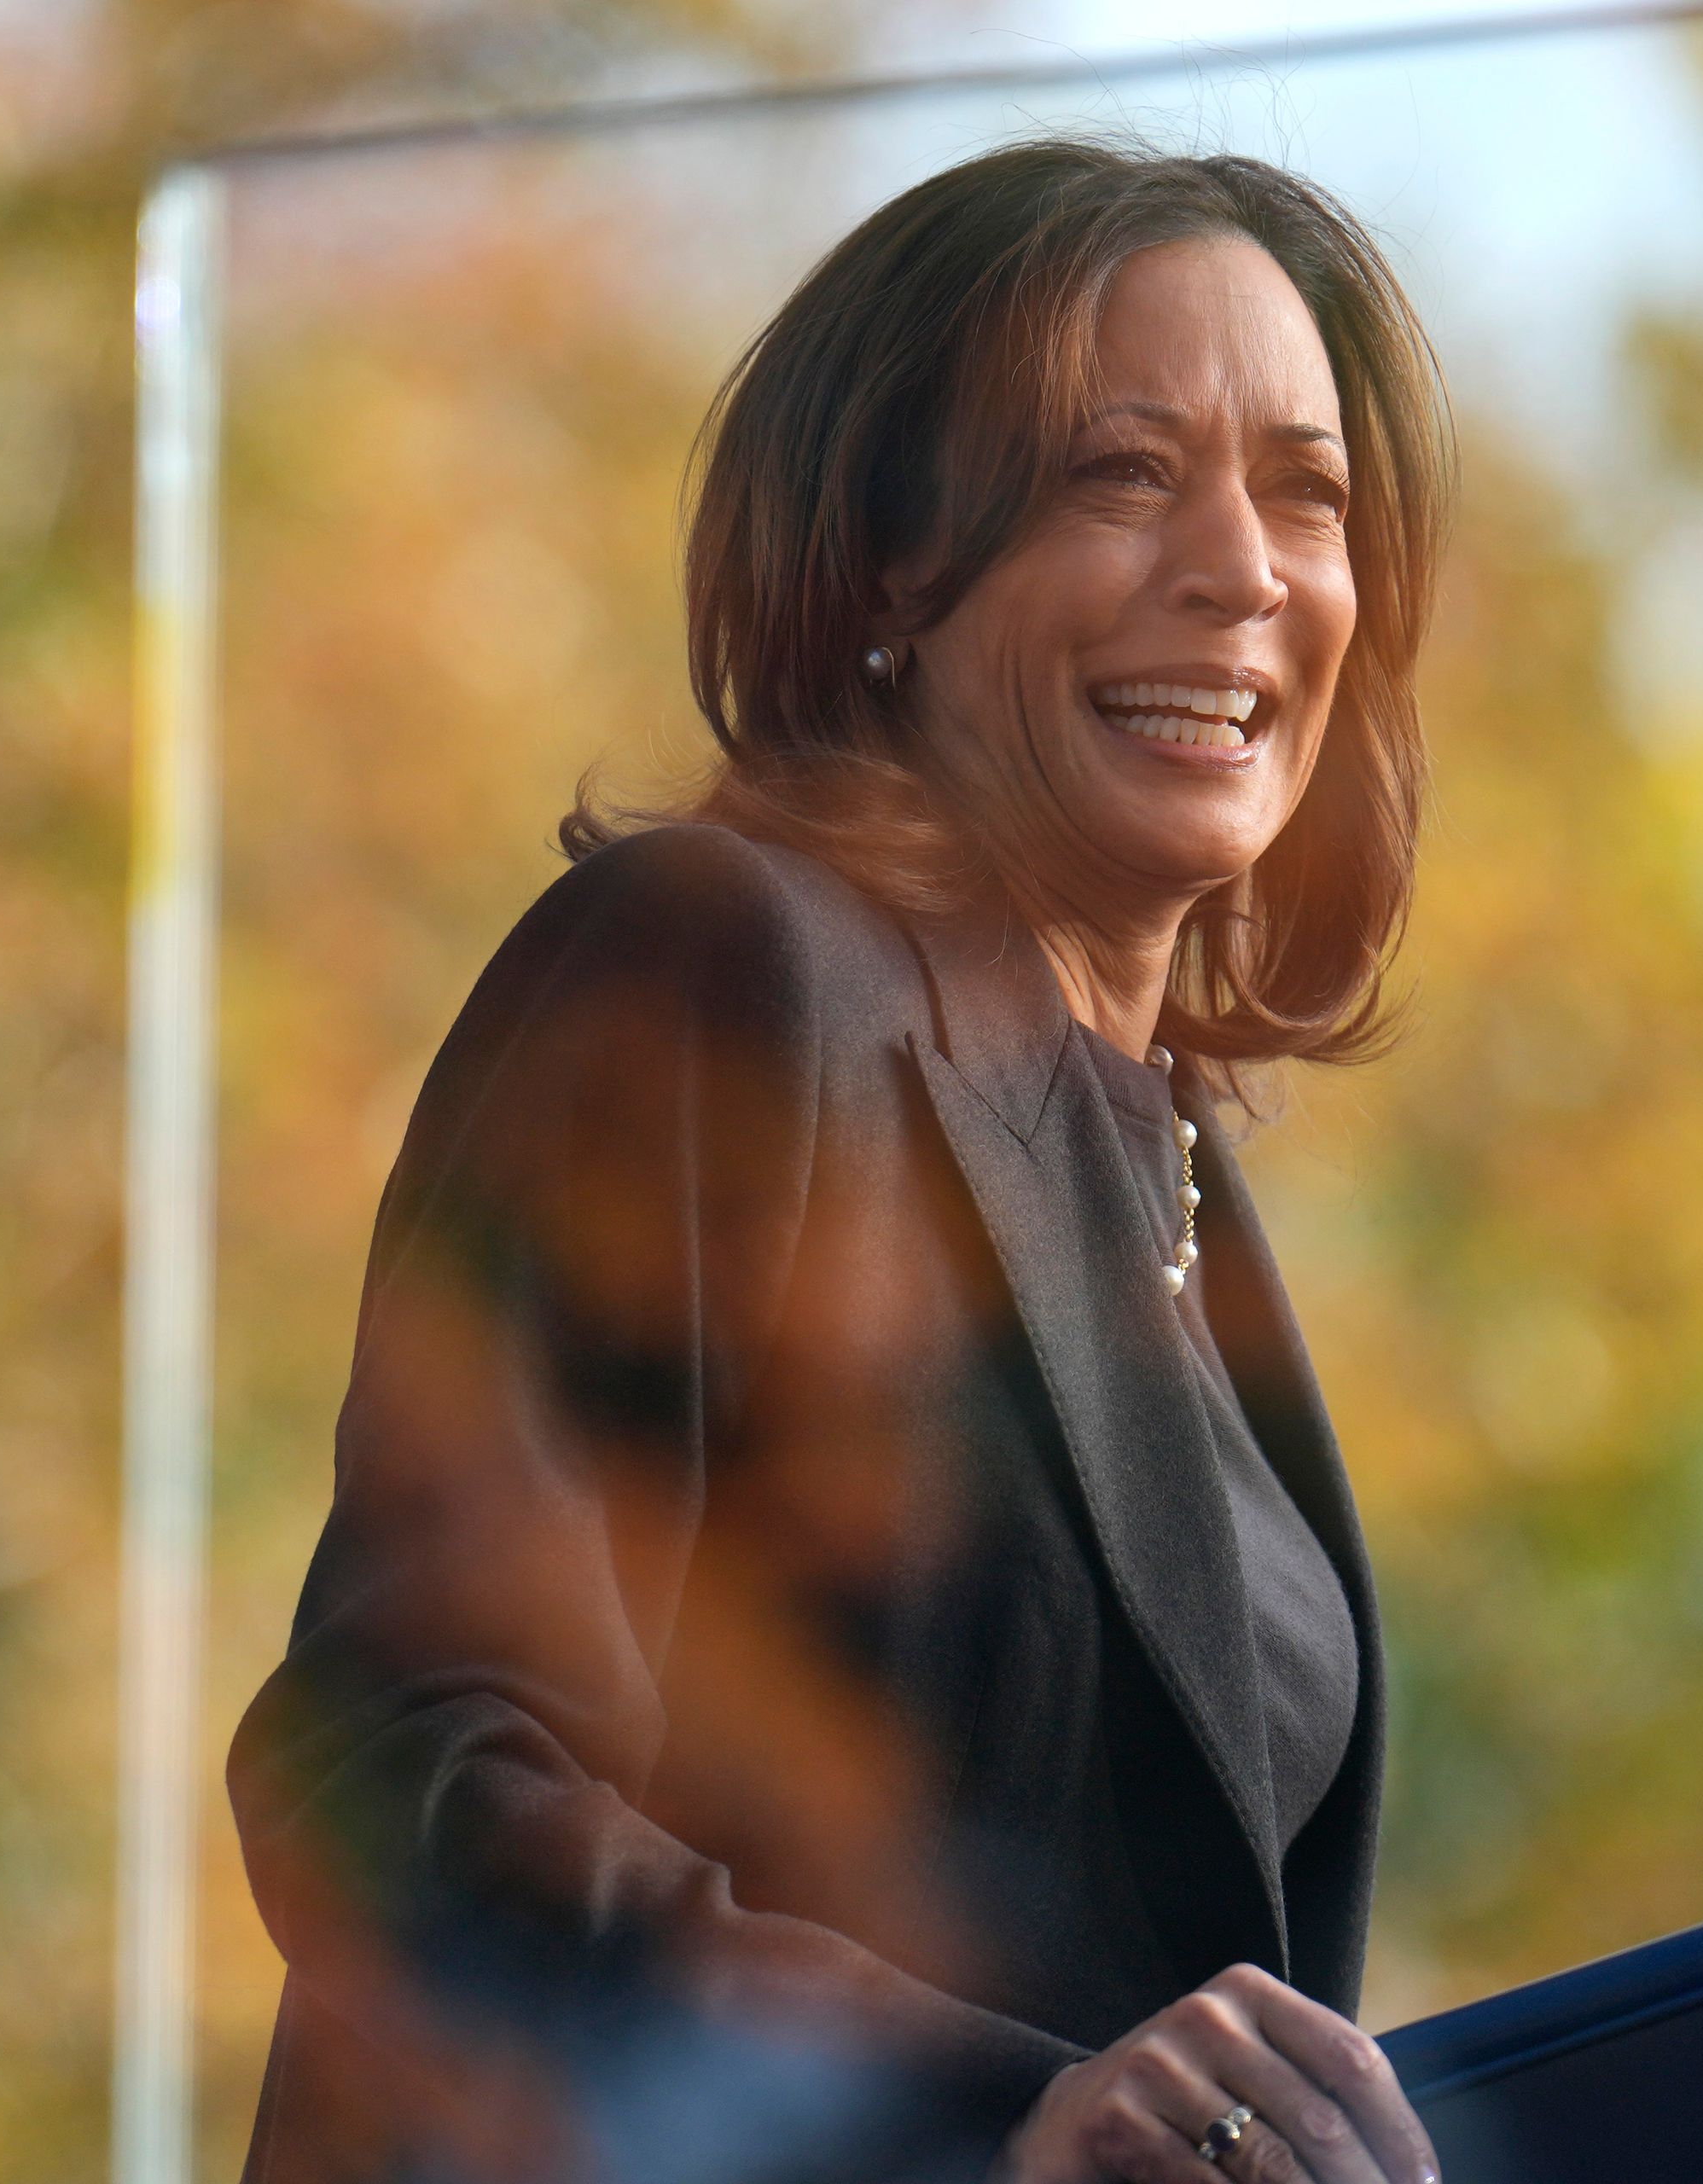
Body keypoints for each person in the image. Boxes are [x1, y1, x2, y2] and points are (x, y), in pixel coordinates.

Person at [229, 138, 1453, 2184]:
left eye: (1307, 490)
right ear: (891, 565)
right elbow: (391, 1762)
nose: (1243, 563)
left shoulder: (1168, 1175)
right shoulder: (725, 965)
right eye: (1120, 472)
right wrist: (974, 2122)